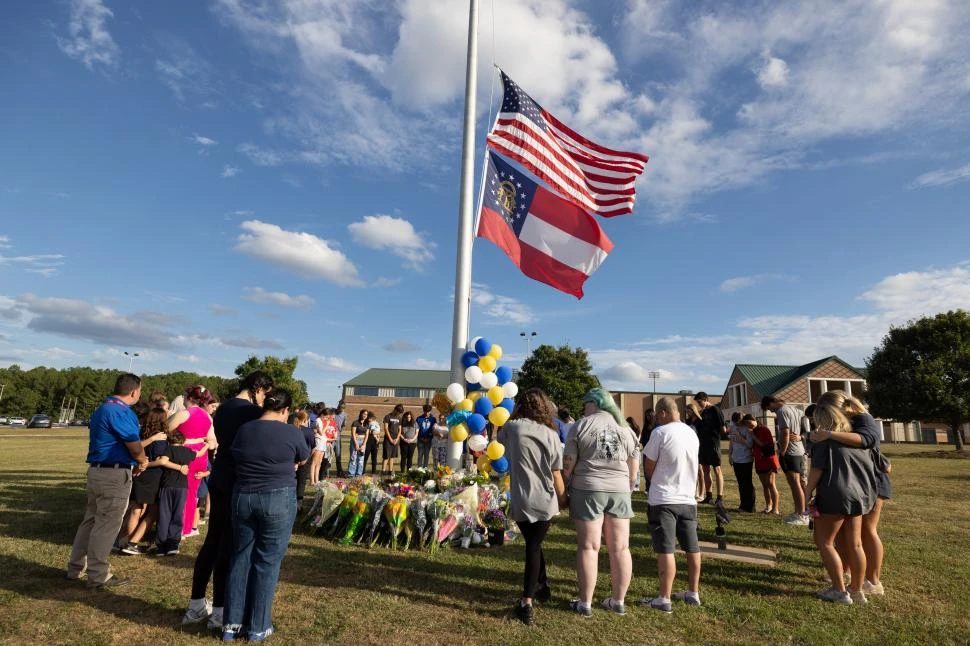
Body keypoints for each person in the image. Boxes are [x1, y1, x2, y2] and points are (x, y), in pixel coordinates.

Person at [183, 371, 274, 630]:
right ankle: (222, 610)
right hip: (238, 479)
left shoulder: (222, 409)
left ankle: (196, 603)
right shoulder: (249, 412)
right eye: (265, 394)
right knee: (231, 546)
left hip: (220, 475)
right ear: (258, 388)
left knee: (213, 541)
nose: (265, 399)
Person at [223, 388, 310, 641]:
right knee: (268, 561)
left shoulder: (245, 429)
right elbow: (302, 458)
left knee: (241, 556)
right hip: (278, 496)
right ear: (286, 410)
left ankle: (232, 625)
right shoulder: (291, 432)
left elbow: (236, 454)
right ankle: (258, 626)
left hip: (244, 496)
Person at [67, 373, 148, 589]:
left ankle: (75, 566)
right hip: (114, 474)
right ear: (134, 392)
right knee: (107, 525)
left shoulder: (102, 409)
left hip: (97, 471)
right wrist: (142, 461)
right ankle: (98, 573)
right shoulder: (120, 412)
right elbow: (133, 444)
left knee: (91, 520)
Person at [563, 388, 638, 618]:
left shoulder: (581, 425)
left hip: (588, 488)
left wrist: (567, 484)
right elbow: (634, 466)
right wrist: (628, 485)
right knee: (620, 547)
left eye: (585, 403)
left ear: (594, 403)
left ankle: (585, 603)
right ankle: (618, 601)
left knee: (588, 547)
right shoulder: (625, 428)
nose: (583, 408)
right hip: (620, 490)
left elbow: (569, 462)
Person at [809, 391, 891, 597]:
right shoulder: (843, 428)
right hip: (855, 483)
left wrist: (827, 435)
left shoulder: (862, 418)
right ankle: (850, 580)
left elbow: (868, 440)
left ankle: (871, 581)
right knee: (850, 538)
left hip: (866, 483)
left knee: (866, 531)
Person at [499, 389, 567, 625]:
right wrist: (563, 498)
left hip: (523, 498)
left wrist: (512, 414)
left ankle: (527, 601)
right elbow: (556, 473)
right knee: (534, 544)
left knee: (533, 545)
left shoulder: (513, 427)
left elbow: (500, 438)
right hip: (546, 498)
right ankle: (541, 586)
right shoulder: (552, 434)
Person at [639, 397, 702, 613]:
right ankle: (693, 592)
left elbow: (648, 466)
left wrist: (654, 479)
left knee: (666, 549)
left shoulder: (660, 433)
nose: (656, 419)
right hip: (687, 498)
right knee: (692, 547)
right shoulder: (691, 433)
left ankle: (664, 597)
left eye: (657, 415)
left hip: (664, 498)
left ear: (664, 413)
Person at [116, 405, 168, 554]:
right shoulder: (161, 438)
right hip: (153, 476)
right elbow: (160, 459)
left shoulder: (141, 433)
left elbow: (135, 450)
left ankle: (122, 540)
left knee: (135, 509)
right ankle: (132, 543)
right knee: (152, 512)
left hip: (139, 474)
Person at [168, 385, 216, 537]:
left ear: (188, 398)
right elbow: (213, 442)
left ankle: (176, 525)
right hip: (201, 456)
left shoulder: (183, 414)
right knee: (192, 494)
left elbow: (166, 430)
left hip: (183, 454)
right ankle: (187, 527)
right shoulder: (207, 416)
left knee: (179, 490)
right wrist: (203, 444)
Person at [156, 430, 207, 556]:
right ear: (183, 441)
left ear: (170, 441)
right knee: (178, 514)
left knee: (164, 514)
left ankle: (161, 546)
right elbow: (199, 454)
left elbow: (163, 461)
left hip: (167, 485)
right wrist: (206, 443)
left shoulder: (168, 449)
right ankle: (173, 544)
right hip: (182, 487)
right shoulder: (188, 452)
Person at [761, 396, 809, 525]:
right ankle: (798, 511)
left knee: (795, 483)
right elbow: (805, 429)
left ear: (771, 403)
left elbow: (785, 433)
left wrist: (782, 451)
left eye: (769, 409)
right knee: (795, 483)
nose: (771, 412)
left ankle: (802, 515)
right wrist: (800, 437)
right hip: (799, 450)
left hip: (791, 452)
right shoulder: (795, 410)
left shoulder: (782, 412)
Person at [744, 414, 780, 514]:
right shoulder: (754, 431)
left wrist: (752, 436)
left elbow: (763, 445)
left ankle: (775, 508)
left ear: (754, 419)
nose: (748, 425)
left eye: (749, 422)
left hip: (768, 460)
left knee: (771, 484)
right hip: (759, 461)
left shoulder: (764, 430)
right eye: (746, 424)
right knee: (764, 485)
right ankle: (768, 506)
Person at [693, 392, 725, 505]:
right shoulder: (702, 412)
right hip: (703, 444)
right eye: (697, 402)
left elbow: (723, 427)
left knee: (717, 470)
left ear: (706, 399)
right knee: (706, 470)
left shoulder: (715, 409)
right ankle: (709, 496)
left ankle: (720, 497)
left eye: (700, 402)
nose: (699, 404)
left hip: (713, 444)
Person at [728, 411, 755, 512]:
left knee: (747, 483)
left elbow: (750, 444)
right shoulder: (733, 427)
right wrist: (730, 455)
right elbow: (731, 442)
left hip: (746, 459)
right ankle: (743, 505)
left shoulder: (748, 429)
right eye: (735, 422)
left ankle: (750, 507)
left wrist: (740, 437)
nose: (737, 424)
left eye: (739, 422)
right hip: (736, 459)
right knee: (740, 483)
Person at [382, 404, 403, 476]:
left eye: (400, 413)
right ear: (395, 409)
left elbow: (400, 430)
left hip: (396, 440)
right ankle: (383, 471)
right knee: (386, 456)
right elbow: (385, 428)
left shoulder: (399, 418)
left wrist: (397, 439)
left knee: (392, 456)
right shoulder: (387, 416)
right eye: (398, 412)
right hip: (388, 440)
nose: (398, 414)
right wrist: (390, 439)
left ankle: (390, 471)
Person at [347, 410, 368, 477]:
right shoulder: (355, 423)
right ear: (361, 414)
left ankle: (359, 474)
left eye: (366, 414)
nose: (365, 415)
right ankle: (351, 474)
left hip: (363, 441)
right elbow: (353, 433)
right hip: (355, 441)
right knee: (353, 458)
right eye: (364, 414)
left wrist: (364, 444)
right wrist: (356, 444)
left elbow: (367, 435)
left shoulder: (367, 424)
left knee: (361, 459)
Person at [308, 411, 325, 486]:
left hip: (323, 443)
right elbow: (321, 433)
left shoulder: (321, 421)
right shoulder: (318, 420)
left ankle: (316, 480)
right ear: (322, 414)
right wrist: (327, 425)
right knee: (314, 462)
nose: (326, 418)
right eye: (326, 417)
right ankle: (312, 481)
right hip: (318, 442)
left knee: (319, 463)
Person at [416, 404, 435, 468]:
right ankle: (419, 468)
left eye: (428, 411)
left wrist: (430, 438)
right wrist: (420, 438)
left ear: (430, 411)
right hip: (420, 440)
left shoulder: (433, 419)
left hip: (429, 440)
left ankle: (425, 468)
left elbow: (434, 430)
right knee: (420, 455)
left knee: (426, 455)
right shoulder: (419, 419)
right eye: (425, 411)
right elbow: (416, 429)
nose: (427, 413)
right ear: (423, 411)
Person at [333, 402, 347, 477]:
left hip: (338, 437)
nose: (341, 410)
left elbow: (343, 425)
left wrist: (339, 431)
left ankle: (339, 472)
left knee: (338, 455)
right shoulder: (333, 412)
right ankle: (325, 472)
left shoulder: (344, 415)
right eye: (340, 408)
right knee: (328, 455)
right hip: (330, 436)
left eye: (342, 409)